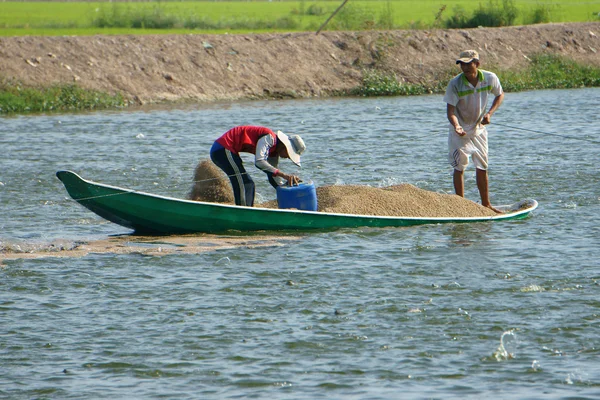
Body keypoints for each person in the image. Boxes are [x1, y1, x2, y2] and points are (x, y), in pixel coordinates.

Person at [443, 50, 505, 213]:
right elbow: (450, 111)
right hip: (460, 131)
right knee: (459, 166)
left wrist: (489, 114)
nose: (464, 67)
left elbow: (499, 95)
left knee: (482, 166)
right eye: (461, 64)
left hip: (478, 130)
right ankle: (460, 205)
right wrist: (457, 126)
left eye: (468, 63)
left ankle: (486, 204)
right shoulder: (455, 84)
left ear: (477, 63)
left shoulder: (490, 78)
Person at [210, 125, 306, 207]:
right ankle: (244, 213)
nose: (288, 157)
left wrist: (288, 188)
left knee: (247, 183)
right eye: (289, 154)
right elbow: (259, 162)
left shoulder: (273, 152)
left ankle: (246, 209)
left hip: (227, 151)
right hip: (222, 149)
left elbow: (273, 175)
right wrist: (284, 175)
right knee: (245, 183)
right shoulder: (269, 137)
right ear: (285, 146)